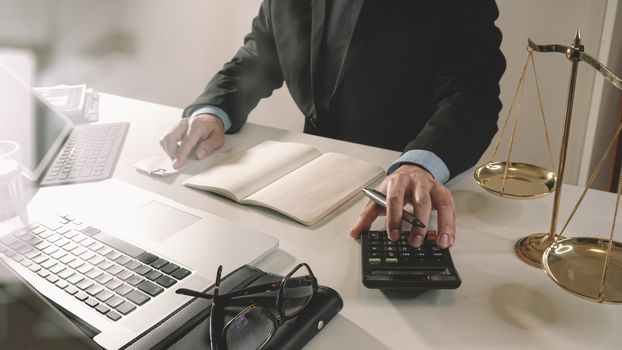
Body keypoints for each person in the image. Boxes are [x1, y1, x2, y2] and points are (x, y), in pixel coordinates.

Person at [160, 0, 506, 249]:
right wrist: (210, 112)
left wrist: (420, 164)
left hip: (407, 192)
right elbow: (254, 59)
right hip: (310, 198)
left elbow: (472, 94)